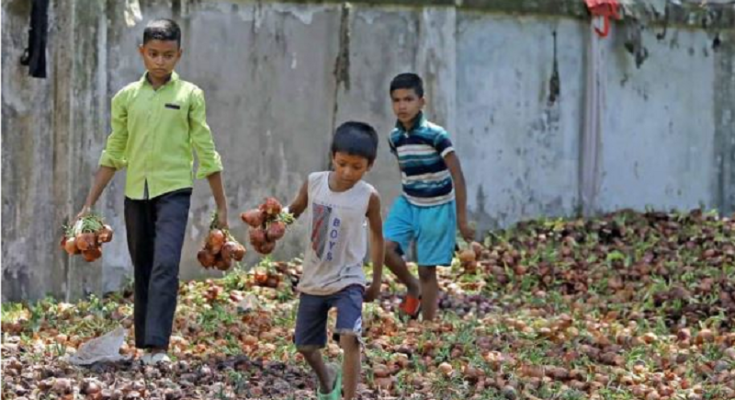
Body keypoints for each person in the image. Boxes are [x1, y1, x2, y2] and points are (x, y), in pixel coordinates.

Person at [77, 18, 228, 364]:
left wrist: (222, 207)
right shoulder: (126, 98)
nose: (160, 61)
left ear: (179, 55)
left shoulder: (190, 95)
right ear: (142, 53)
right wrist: (88, 204)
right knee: (143, 265)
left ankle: (158, 347)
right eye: (154, 54)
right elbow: (114, 152)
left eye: (168, 55)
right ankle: (145, 343)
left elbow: (206, 150)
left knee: (165, 264)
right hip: (136, 194)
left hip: (174, 191)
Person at [286, 121, 384, 400]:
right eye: (342, 164)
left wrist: (375, 280)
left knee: (349, 336)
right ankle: (326, 375)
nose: (347, 172)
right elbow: (292, 211)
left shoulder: (368, 196)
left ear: (370, 165)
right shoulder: (315, 182)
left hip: (349, 279)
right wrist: (269, 224)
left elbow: (378, 237)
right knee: (305, 346)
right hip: (314, 279)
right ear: (332, 156)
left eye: (356, 167)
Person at [384, 72, 474, 321]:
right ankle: (413, 288)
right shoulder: (395, 138)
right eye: (396, 100)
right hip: (408, 202)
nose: (402, 106)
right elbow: (405, 169)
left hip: (437, 206)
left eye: (408, 99)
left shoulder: (436, 135)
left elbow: (457, 175)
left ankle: (428, 326)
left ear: (422, 102)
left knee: (426, 269)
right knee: (385, 249)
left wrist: (462, 220)